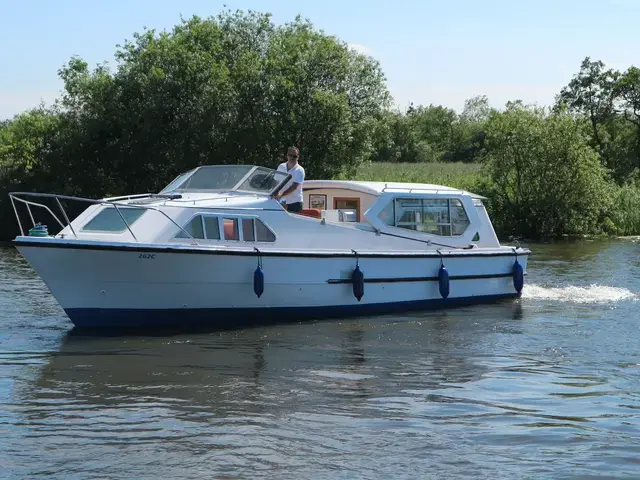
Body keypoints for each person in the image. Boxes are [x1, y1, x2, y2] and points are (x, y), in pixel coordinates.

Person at [273, 146, 305, 213]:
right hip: (280, 201)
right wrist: (275, 193)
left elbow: (294, 187)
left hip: (295, 203)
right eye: (290, 155)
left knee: (294, 223)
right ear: (287, 156)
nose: (292, 158)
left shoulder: (300, 170)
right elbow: (276, 181)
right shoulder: (281, 166)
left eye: (295, 156)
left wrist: (281, 195)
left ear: (298, 157)